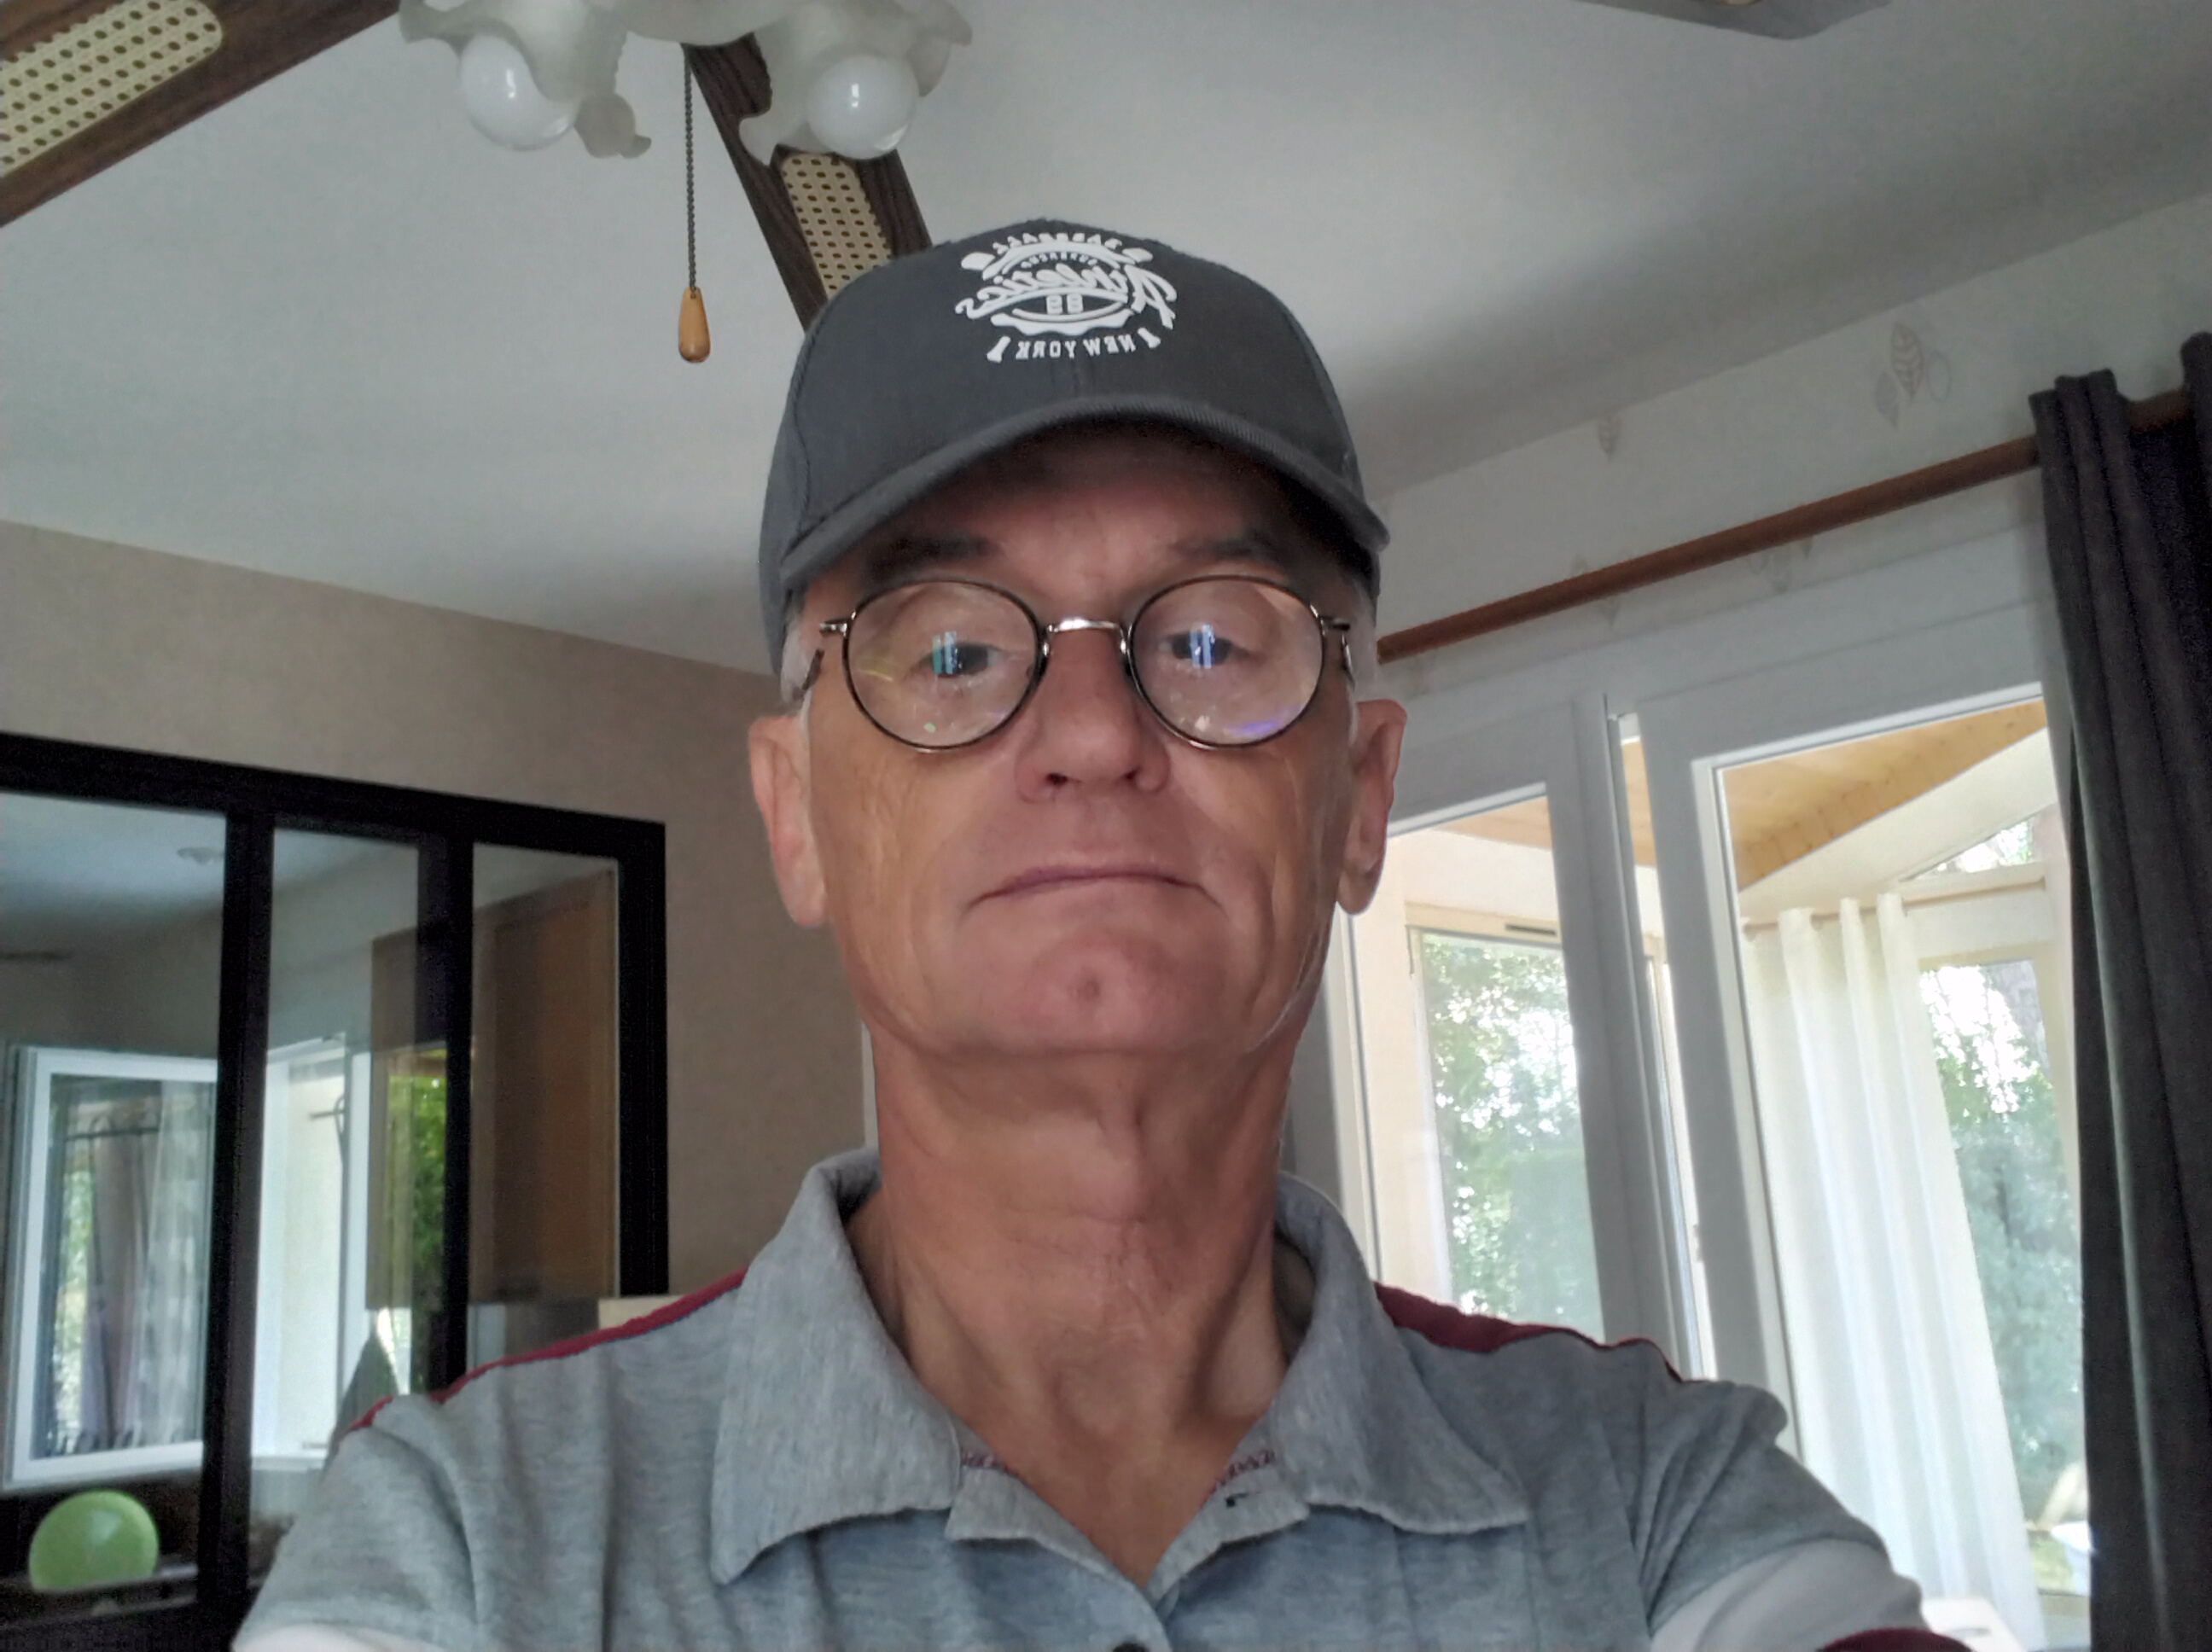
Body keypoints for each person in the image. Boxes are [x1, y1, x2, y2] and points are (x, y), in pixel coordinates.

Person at [242, 221, 1962, 1651]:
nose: (1090, 731)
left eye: (1209, 640)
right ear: (795, 815)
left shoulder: (1660, 1503)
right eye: (949, 651)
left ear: (1359, 802)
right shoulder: (464, 1546)